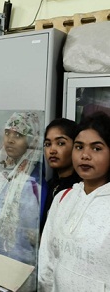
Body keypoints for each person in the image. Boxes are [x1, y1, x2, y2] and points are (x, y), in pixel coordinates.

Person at [38, 112, 110, 291]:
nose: (85, 155)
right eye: (79, 147)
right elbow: (48, 259)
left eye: (96, 148)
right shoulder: (63, 199)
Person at [0, 111, 43, 291]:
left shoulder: (34, 179)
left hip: (20, 266)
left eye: (19, 135)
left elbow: (32, 232)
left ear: (31, 141)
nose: (10, 139)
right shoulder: (0, 170)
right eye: (8, 133)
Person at [41, 118, 81, 230]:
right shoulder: (49, 185)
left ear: (76, 146)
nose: (52, 150)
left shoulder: (79, 188)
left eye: (60, 143)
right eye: (47, 144)